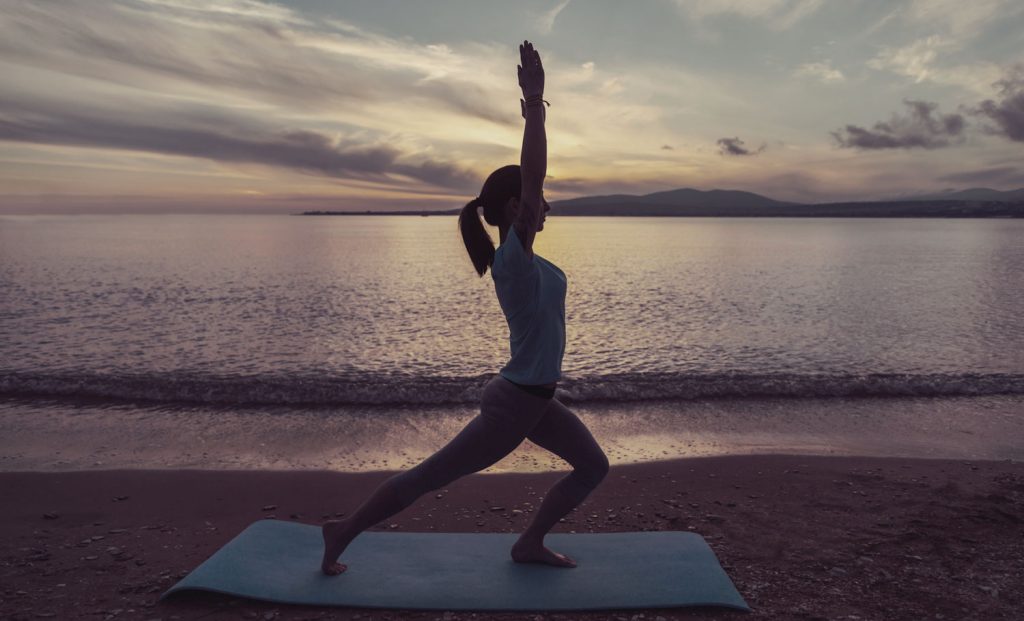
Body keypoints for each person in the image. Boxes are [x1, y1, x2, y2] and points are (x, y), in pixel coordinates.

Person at [321, 40, 609, 576]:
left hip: (536, 400)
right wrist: (534, 105)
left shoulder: (532, 263)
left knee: (593, 466)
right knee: (429, 478)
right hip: (515, 404)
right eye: (536, 200)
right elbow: (534, 173)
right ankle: (341, 532)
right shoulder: (514, 262)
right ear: (515, 208)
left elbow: (533, 184)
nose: (547, 205)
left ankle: (529, 544)